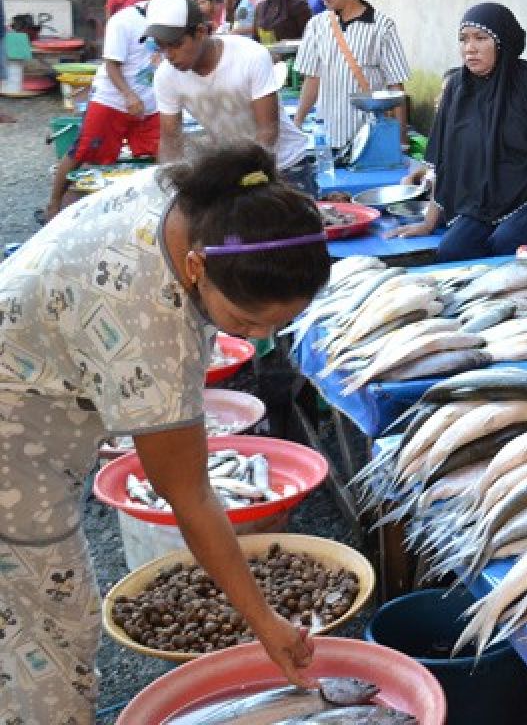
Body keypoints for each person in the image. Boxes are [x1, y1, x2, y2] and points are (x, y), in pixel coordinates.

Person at [0, 140, 328, 722]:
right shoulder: (149, 325)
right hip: (14, 438)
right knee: (46, 625)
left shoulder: (206, 200)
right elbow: (190, 495)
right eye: (246, 320)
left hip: (38, 381)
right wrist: (267, 625)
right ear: (197, 268)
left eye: (280, 323)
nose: (257, 340)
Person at [388, 3, 527, 262]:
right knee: (453, 251)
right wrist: (428, 223)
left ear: (503, 42)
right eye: (463, 40)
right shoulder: (457, 90)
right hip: (483, 202)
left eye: (481, 38)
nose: (469, 48)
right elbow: (444, 163)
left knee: (505, 243)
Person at [46, 0, 185, 220]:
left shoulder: (177, 21)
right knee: (84, 152)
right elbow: (111, 65)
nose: (172, 2)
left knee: (164, 156)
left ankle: (154, 215)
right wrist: (129, 95)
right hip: (113, 99)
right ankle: (54, 206)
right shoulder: (125, 21)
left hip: (152, 103)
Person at [147, 0, 314, 194]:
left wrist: (243, 179)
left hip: (285, 166)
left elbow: (268, 131)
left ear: (200, 32)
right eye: (161, 47)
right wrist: (168, 188)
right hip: (233, 172)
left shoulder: (250, 56)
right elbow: (171, 139)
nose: (169, 55)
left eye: (175, 45)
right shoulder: (166, 76)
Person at [292, 0, 410, 163]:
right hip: (328, 140)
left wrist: (400, 141)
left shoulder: (382, 27)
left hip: (370, 141)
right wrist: (298, 124)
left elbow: (396, 87)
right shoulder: (317, 25)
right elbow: (312, 79)